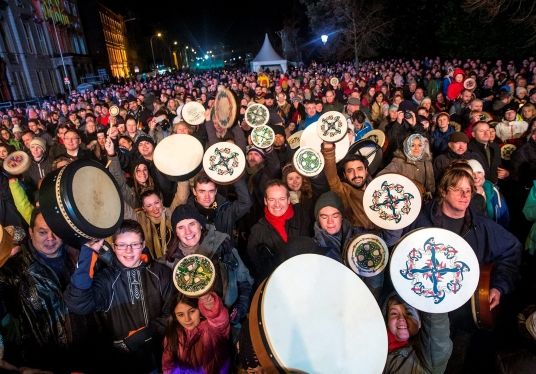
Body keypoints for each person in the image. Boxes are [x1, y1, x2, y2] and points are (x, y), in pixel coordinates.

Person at [64, 219, 176, 373]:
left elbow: (172, 313)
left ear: (143, 245)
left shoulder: (161, 273)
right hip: (122, 363)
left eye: (135, 244)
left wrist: (147, 333)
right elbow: (78, 304)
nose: (128, 251)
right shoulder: (106, 279)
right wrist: (88, 254)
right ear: (114, 248)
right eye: (122, 245)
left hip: (161, 358)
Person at [0, 210, 103, 372]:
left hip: (90, 357)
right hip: (46, 364)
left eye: (55, 232)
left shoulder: (82, 256)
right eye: (42, 232)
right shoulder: (14, 271)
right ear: (30, 232)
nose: (50, 238)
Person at [164, 205, 253, 334]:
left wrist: (239, 310)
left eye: (192, 224)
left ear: (200, 224)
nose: (187, 232)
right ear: (176, 232)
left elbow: (244, 281)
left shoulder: (222, 245)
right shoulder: (171, 261)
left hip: (228, 324)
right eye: (181, 227)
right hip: (195, 332)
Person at [313, 191, 384, 299]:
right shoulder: (313, 247)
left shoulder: (360, 237)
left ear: (342, 217)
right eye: (324, 217)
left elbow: (375, 275)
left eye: (335, 216)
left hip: (365, 302)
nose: (330, 222)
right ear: (318, 219)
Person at [247, 180, 313, 283]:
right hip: (279, 284)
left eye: (281, 199)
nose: (277, 204)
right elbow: (255, 265)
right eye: (272, 199)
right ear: (265, 201)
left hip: (309, 277)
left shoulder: (303, 215)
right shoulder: (257, 231)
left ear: (288, 200)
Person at [162, 292, 231, 373]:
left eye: (192, 311)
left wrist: (209, 303)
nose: (187, 319)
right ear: (175, 317)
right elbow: (168, 365)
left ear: (200, 309)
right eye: (180, 315)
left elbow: (218, 318)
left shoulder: (213, 329)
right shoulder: (172, 334)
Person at [383, 294, 452, 373]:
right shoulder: (374, 337)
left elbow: (436, 325)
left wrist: (432, 293)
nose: (401, 318)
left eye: (409, 313)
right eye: (394, 313)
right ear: (387, 320)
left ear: (420, 323)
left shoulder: (428, 357)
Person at [321, 141, 375, 229]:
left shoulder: (378, 187)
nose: (356, 174)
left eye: (359, 169)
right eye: (350, 171)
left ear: (366, 171)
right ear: (345, 175)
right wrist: (328, 149)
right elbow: (331, 177)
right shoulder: (344, 191)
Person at [186, 171, 251, 241]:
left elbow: (245, 203)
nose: (207, 196)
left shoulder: (226, 209)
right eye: (202, 191)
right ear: (194, 192)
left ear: (216, 191)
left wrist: (235, 175)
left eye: (211, 191)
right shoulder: (186, 214)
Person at [378, 133, 435, 199]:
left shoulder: (426, 161)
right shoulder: (399, 161)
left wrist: (429, 192)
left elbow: (431, 183)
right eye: (412, 145)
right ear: (407, 146)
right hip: (404, 199)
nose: (416, 148)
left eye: (419, 145)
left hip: (422, 200)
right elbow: (382, 176)